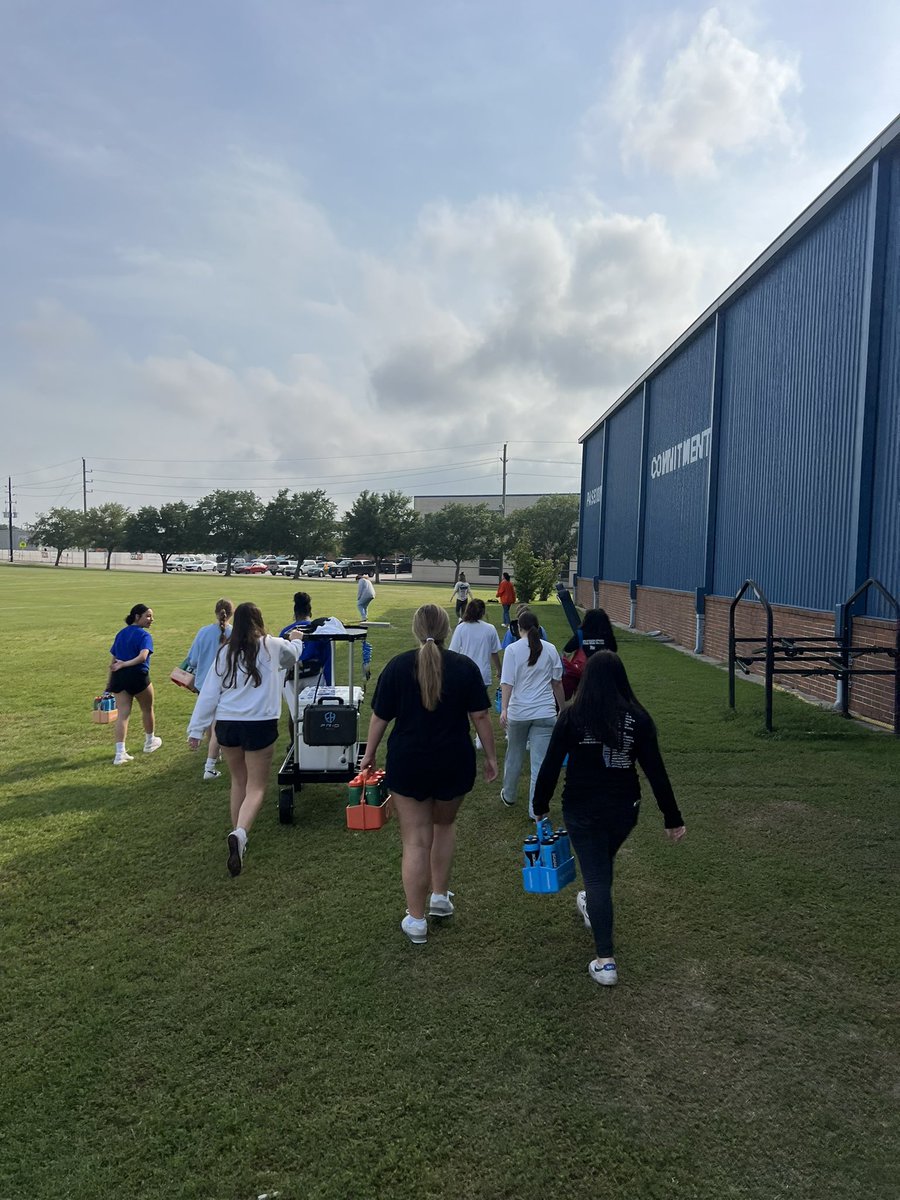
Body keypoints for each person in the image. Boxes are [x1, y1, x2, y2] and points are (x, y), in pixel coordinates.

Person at [532, 651, 686, 987]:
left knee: (598, 875)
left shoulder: (572, 715)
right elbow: (655, 772)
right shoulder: (638, 718)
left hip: (583, 809)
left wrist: (539, 803)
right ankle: (591, 902)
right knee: (599, 865)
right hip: (623, 810)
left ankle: (605, 960)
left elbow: (550, 764)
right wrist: (672, 817)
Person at [359, 604, 498, 945]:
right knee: (444, 826)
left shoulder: (396, 666)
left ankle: (417, 919)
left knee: (416, 840)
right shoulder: (465, 668)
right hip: (454, 761)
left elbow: (379, 717)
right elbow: (480, 717)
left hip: (409, 763)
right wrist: (492, 757)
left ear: (415, 629)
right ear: (448, 630)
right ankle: (439, 896)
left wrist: (369, 753)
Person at [187, 602, 303, 877]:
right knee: (257, 787)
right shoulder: (272, 645)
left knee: (238, 781)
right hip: (259, 724)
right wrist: (298, 641)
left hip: (227, 724)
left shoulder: (224, 652)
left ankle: (238, 835)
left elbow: (209, 695)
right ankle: (240, 834)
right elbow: (293, 656)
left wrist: (196, 730)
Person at [499, 611, 564, 816]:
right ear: (539, 627)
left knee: (514, 755)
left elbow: (507, 682)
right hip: (545, 712)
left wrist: (504, 709)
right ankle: (536, 811)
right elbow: (557, 683)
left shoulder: (512, 650)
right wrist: (562, 707)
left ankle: (509, 795)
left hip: (519, 713)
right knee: (539, 764)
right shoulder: (551, 649)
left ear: (520, 629)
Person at [185, 598, 234, 780]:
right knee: (217, 723)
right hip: (225, 684)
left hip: (203, 682)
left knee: (209, 719)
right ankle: (211, 762)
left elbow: (193, 660)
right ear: (231, 613)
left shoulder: (203, 632)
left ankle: (214, 754)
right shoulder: (235, 633)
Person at [108, 603, 162, 765]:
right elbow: (143, 657)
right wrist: (125, 664)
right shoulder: (144, 636)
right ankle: (150, 741)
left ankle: (120, 753)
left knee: (123, 714)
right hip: (137, 676)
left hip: (119, 677)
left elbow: (113, 660)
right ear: (137, 617)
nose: (151, 619)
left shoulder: (121, 633)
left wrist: (109, 683)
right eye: (148, 616)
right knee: (147, 708)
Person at [449, 599, 501, 688]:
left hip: (464, 673)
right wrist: (499, 669)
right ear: (483, 612)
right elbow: (494, 652)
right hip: (483, 674)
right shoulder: (490, 628)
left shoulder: (461, 628)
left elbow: (453, 652)